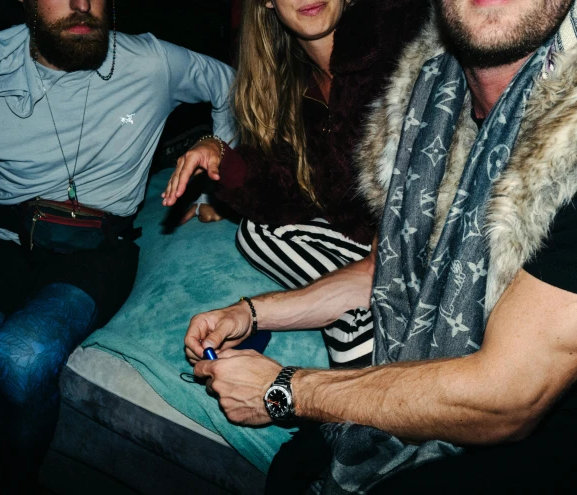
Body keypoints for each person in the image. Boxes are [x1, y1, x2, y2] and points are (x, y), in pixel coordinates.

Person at [184, 0, 577, 495]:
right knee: (294, 473)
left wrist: (286, 390)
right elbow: (384, 267)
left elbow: (507, 398)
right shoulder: (429, 97)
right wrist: (252, 312)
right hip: (460, 372)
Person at [0, 0, 234, 495]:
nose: (79, 4)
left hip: (99, 249)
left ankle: (18, 487)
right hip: (2, 240)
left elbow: (232, 85)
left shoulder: (153, 62)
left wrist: (216, 158)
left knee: (23, 355)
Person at [163, 0, 428, 368]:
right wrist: (219, 156)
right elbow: (286, 189)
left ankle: (356, 329)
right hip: (365, 246)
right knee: (254, 232)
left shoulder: (400, 36)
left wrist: (253, 314)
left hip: (427, 245)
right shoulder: (292, 82)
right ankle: (349, 312)